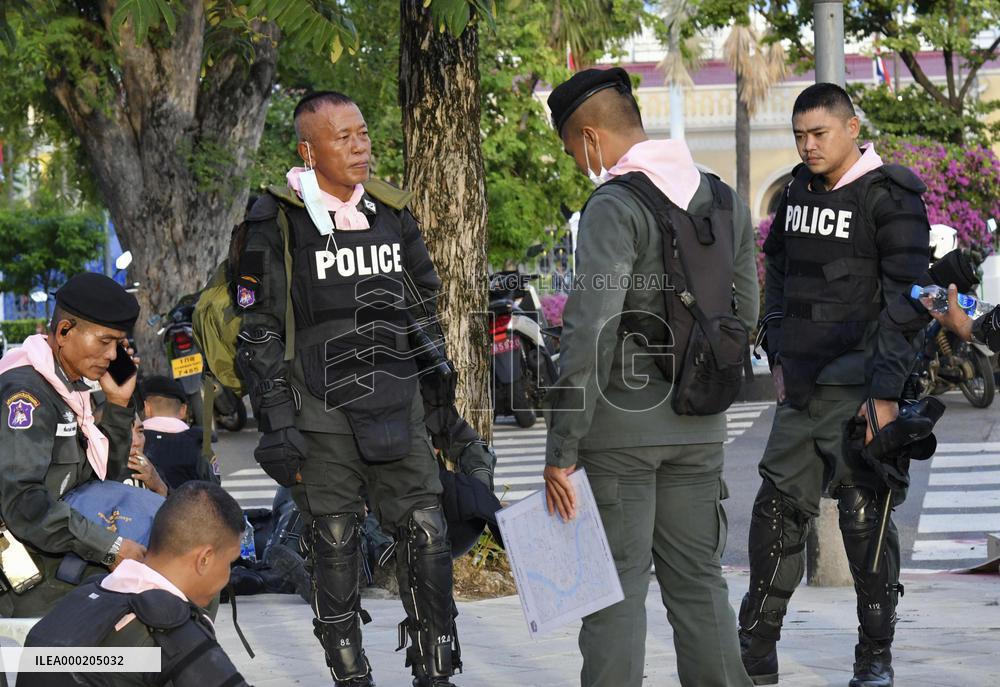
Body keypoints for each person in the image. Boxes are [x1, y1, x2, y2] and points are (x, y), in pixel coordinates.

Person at [234, 90, 460, 687]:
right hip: (321, 411)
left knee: (428, 534)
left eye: (363, 134)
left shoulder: (392, 212)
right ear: (308, 151)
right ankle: (349, 674)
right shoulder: (276, 219)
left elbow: (425, 308)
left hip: (399, 399)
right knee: (334, 539)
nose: (360, 147)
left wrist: (441, 409)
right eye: (344, 137)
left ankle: (436, 670)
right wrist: (279, 426)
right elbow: (256, 333)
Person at [542, 67, 759, 687]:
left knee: (614, 594)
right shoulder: (723, 198)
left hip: (619, 436)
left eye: (572, 152)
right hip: (701, 427)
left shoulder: (614, 204)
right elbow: (743, 313)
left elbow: (590, 330)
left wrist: (561, 448)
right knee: (699, 584)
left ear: (589, 137)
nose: (581, 164)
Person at [740, 83, 931, 687]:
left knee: (864, 518)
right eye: (799, 135)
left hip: (861, 389)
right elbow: (777, 266)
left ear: (852, 127)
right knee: (776, 511)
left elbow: (908, 302)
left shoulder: (890, 196)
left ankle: (875, 655)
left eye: (819, 133)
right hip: (801, 387)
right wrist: (772, 331)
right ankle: (756, 648)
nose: (808, 145)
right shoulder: (797, 187)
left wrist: (884, 394)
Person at [0, 272, 146, 617]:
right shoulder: (27, 395)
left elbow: (105, 481)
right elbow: (24, 504)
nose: (113, 355)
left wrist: (118, 405)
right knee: (148, 597)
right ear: (64, 332)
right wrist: (110, 548)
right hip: (20, 568)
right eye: (105, 341)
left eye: (119, 345)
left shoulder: (70, 391)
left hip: (52, 547)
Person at [21, 481, 251, 687]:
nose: (227, 576)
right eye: (229, 562)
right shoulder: (170, 630)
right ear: (205, 559)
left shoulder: (81, 598)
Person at [140, 375, 219, 490]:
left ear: (147, 408)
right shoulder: (198, 442)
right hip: (189, 506)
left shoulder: (135, 442)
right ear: (183, 410)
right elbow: (214, 485)